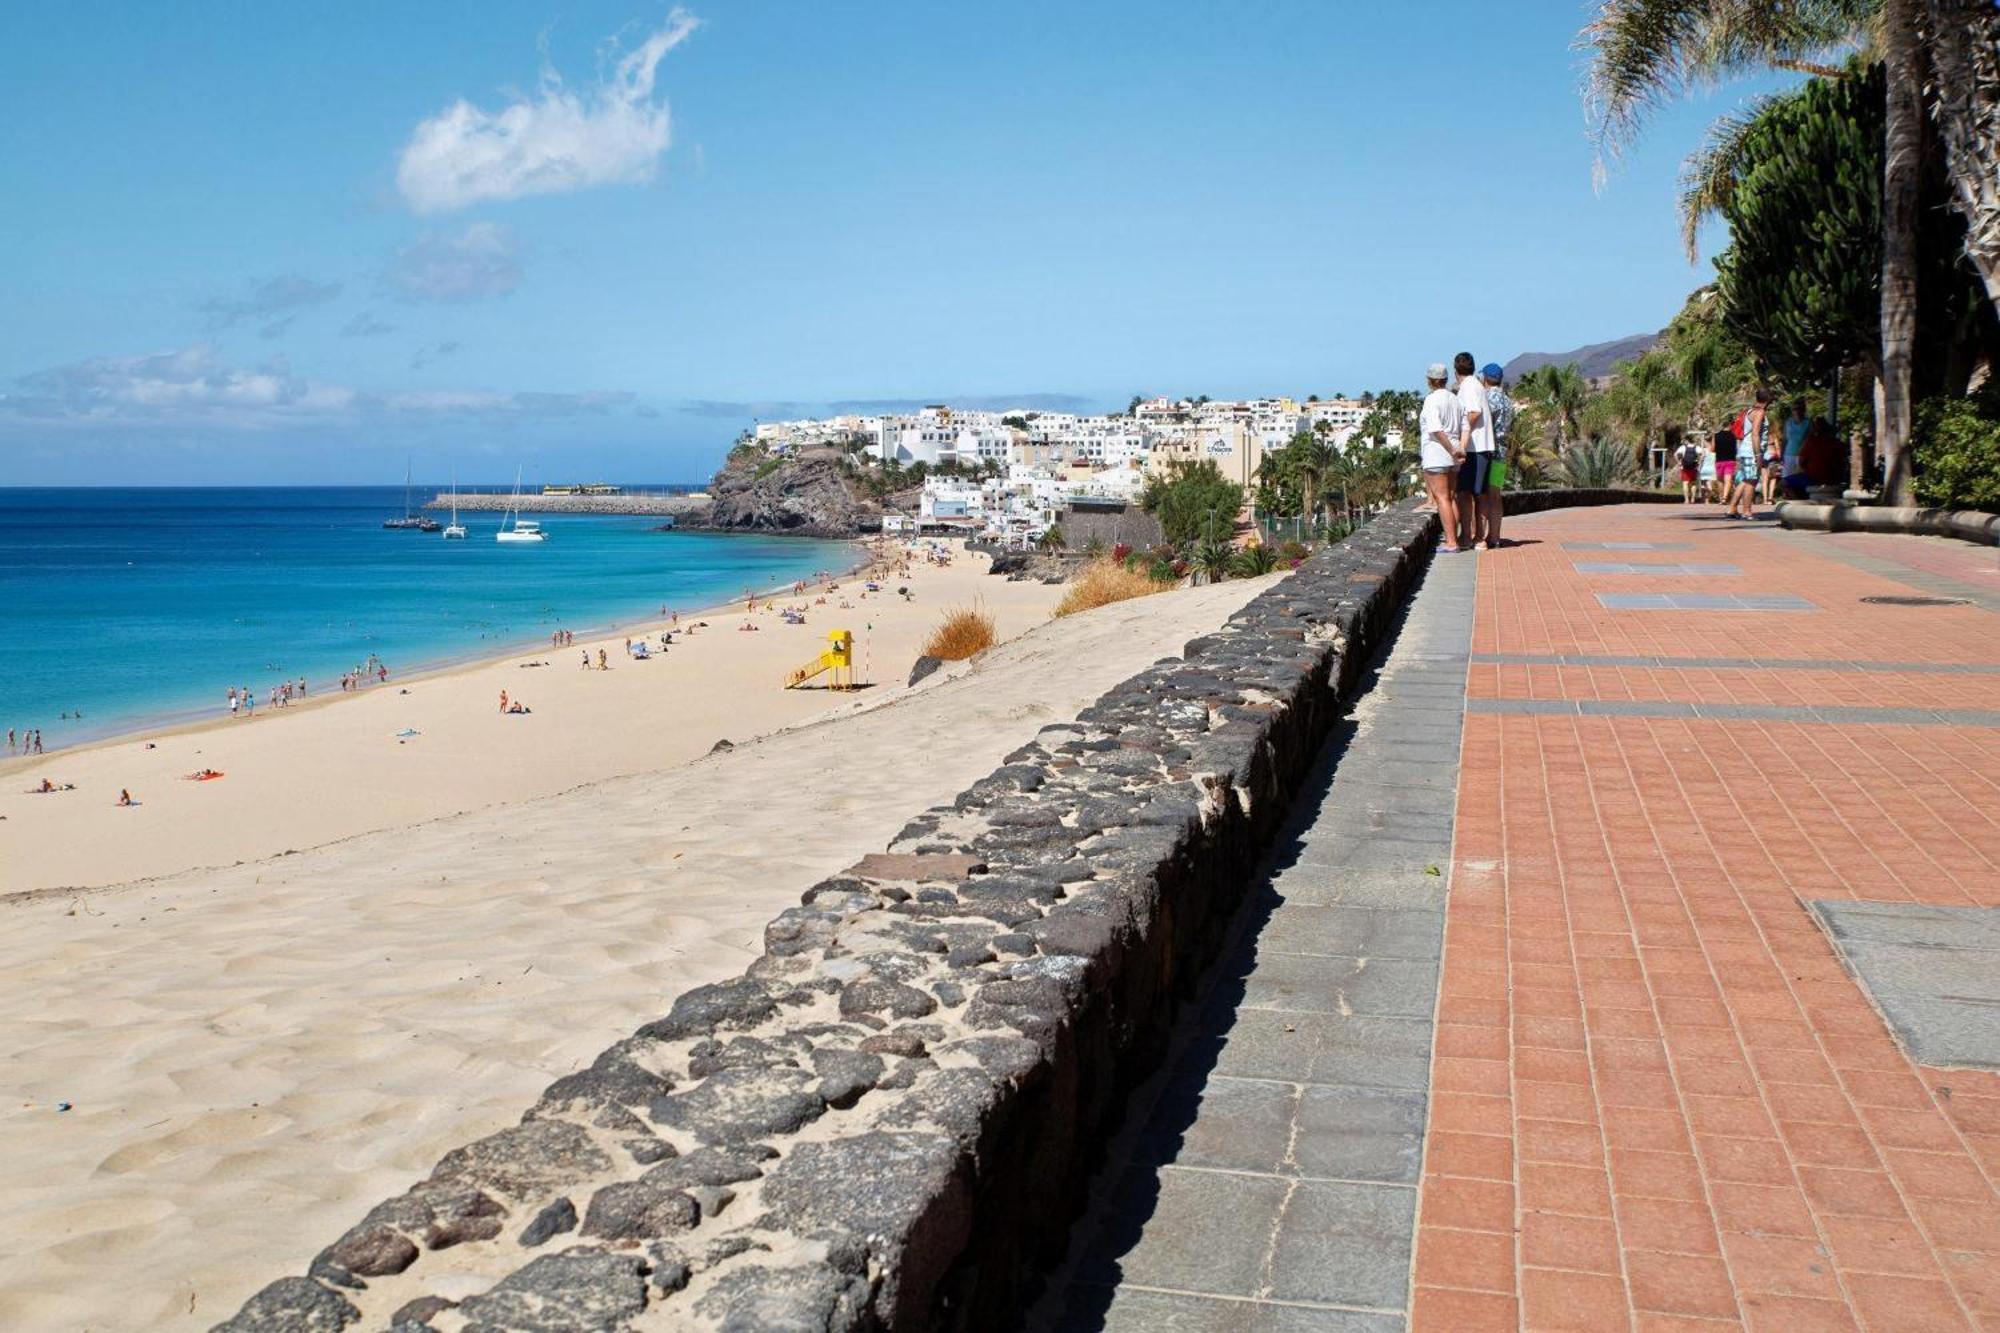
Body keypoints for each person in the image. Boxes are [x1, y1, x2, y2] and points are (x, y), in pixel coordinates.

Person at [1417, 363, 1464, 551]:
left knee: (1442, 499)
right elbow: (1463, 425)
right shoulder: (1454, 399)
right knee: (1451, 498)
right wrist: (1456, 449)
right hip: (1453, 453)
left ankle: (1451, 542)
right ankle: (1454, 538)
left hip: (1437, 453)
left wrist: (1450, 449)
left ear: (1429, 380)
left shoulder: (1431, 400)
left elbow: (1435, 429)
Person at [1453, 352, 1497, 549]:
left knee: (1465, 493)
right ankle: (1479, 536)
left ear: (1456, 370)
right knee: (1480, 493)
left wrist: (1462, 436)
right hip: (1483, 447)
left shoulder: (1468, 387)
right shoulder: (1476, 385)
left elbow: (1474, 412)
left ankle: (1471, 536)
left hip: (1474, 448)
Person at [1481, 363, 1515, 547]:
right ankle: (1495, 537)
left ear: (1486, 378)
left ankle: (1481, 537)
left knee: (1483, 496)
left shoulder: (1487, 398)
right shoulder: (1508, 401)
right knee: (1496, 495)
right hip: (1502, 453)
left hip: (1487, 452)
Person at [1676, 435, 1704, 504]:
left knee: (1685, 483)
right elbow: (1703, 454)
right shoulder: (1697, 447)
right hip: (1694, 467)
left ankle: (1686, 499)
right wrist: (1699, 462)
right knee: (1693, 483)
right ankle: (1693, 499)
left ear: (1687, 440)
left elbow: (1675, 454)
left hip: (1684, 467)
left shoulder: (1683, 447)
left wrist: (1679, 462)